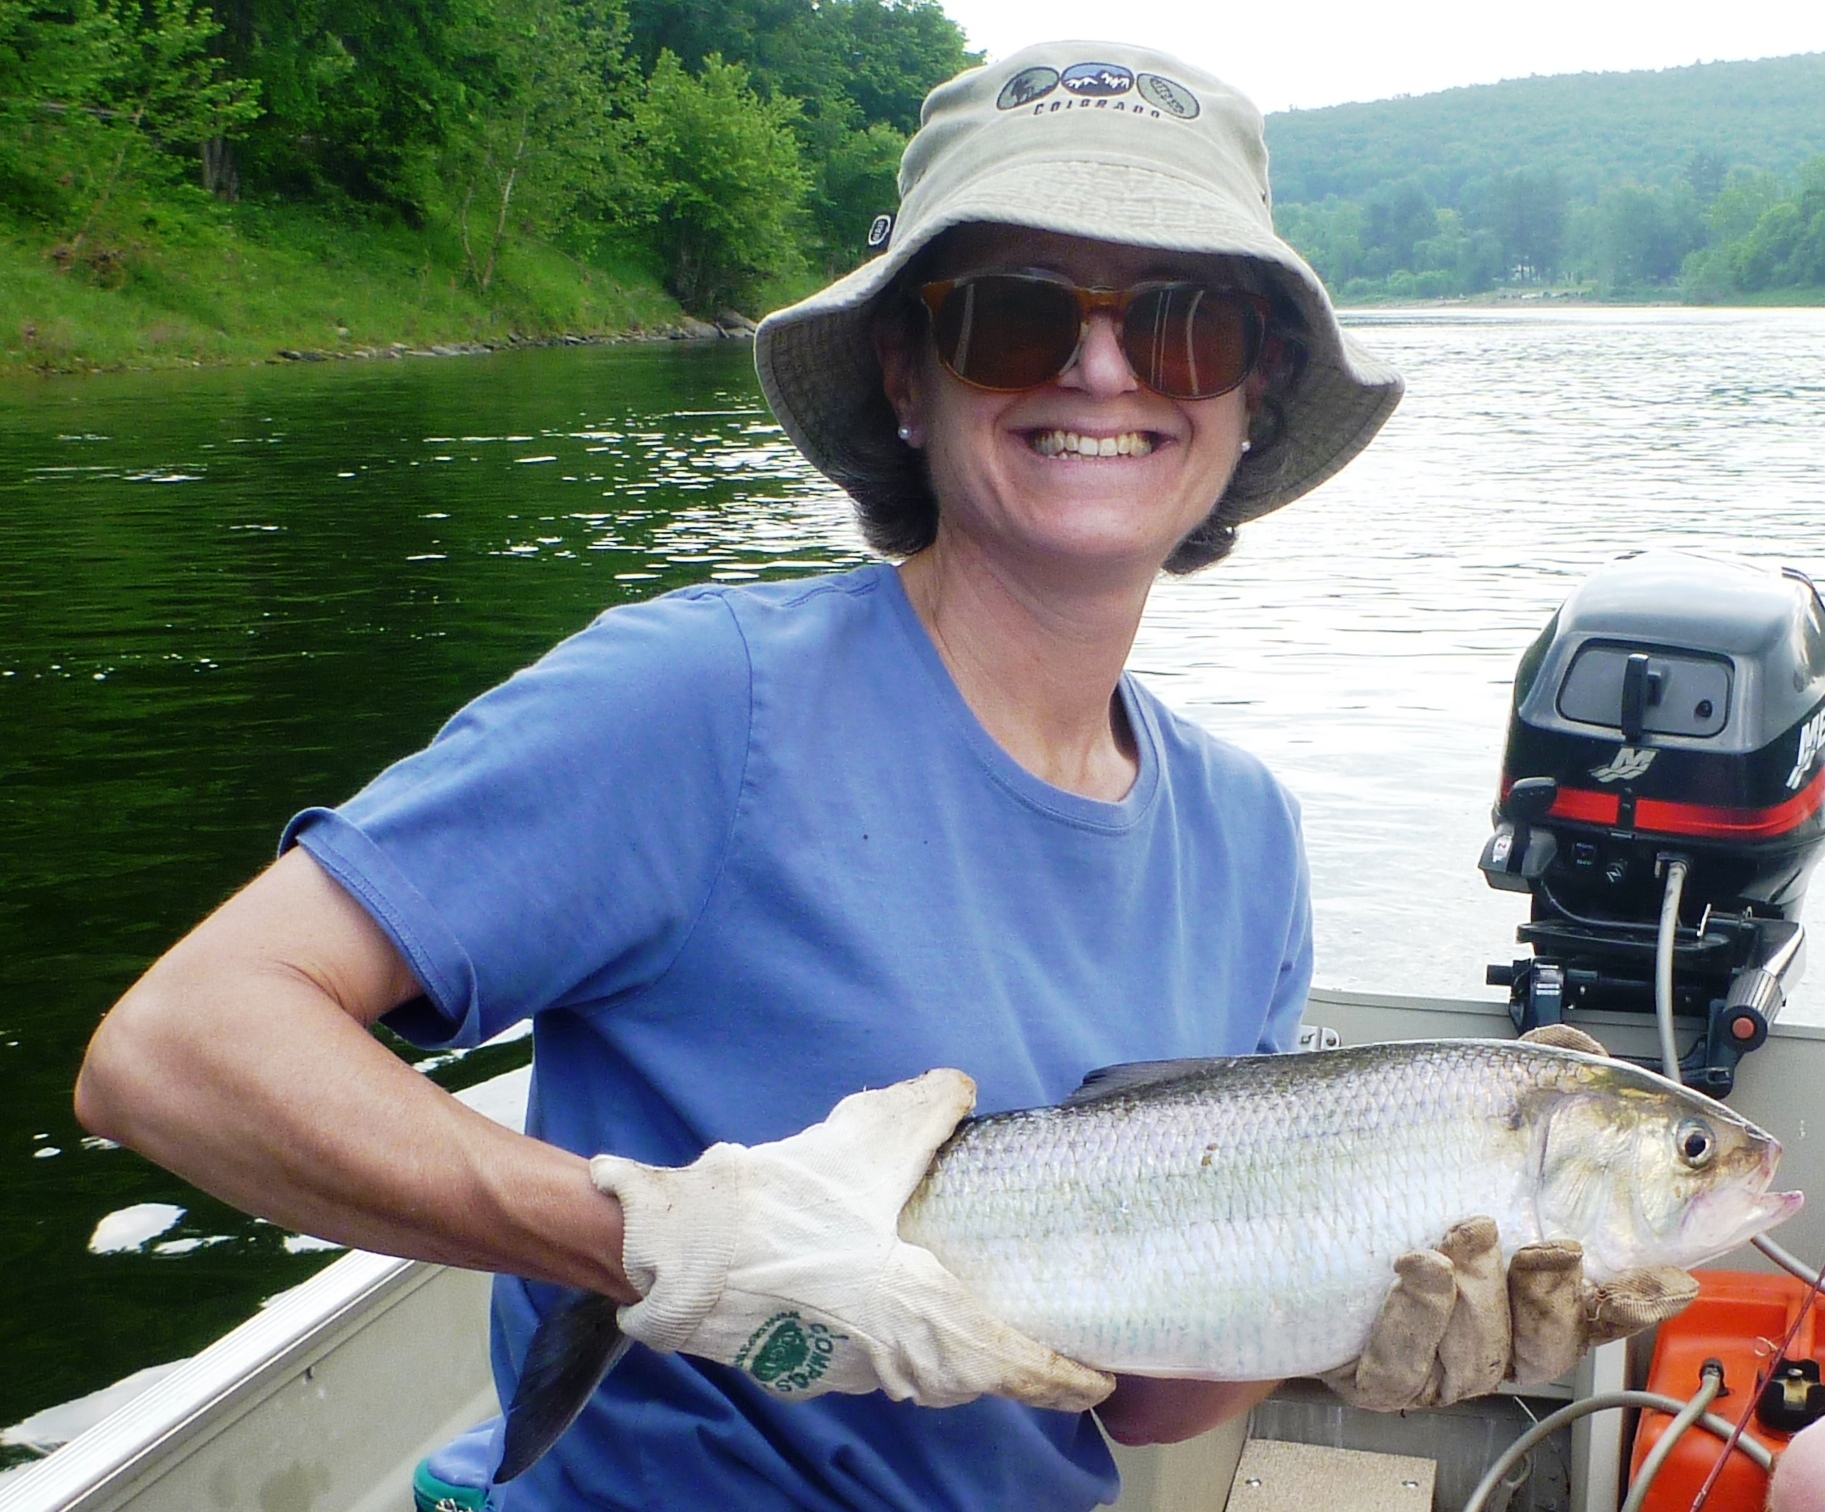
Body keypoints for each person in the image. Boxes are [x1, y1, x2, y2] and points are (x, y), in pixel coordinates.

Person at [73, 40, 1689, 1512]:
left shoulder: (1242, 831)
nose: (1106, 375)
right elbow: (174, 1052)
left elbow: (1138, 1405)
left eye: (1187, 322)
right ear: (908, 380)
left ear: (1248, 393)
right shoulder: (703, 701)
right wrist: (649, 1245)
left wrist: (1341, 1330)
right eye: (1019, 314)